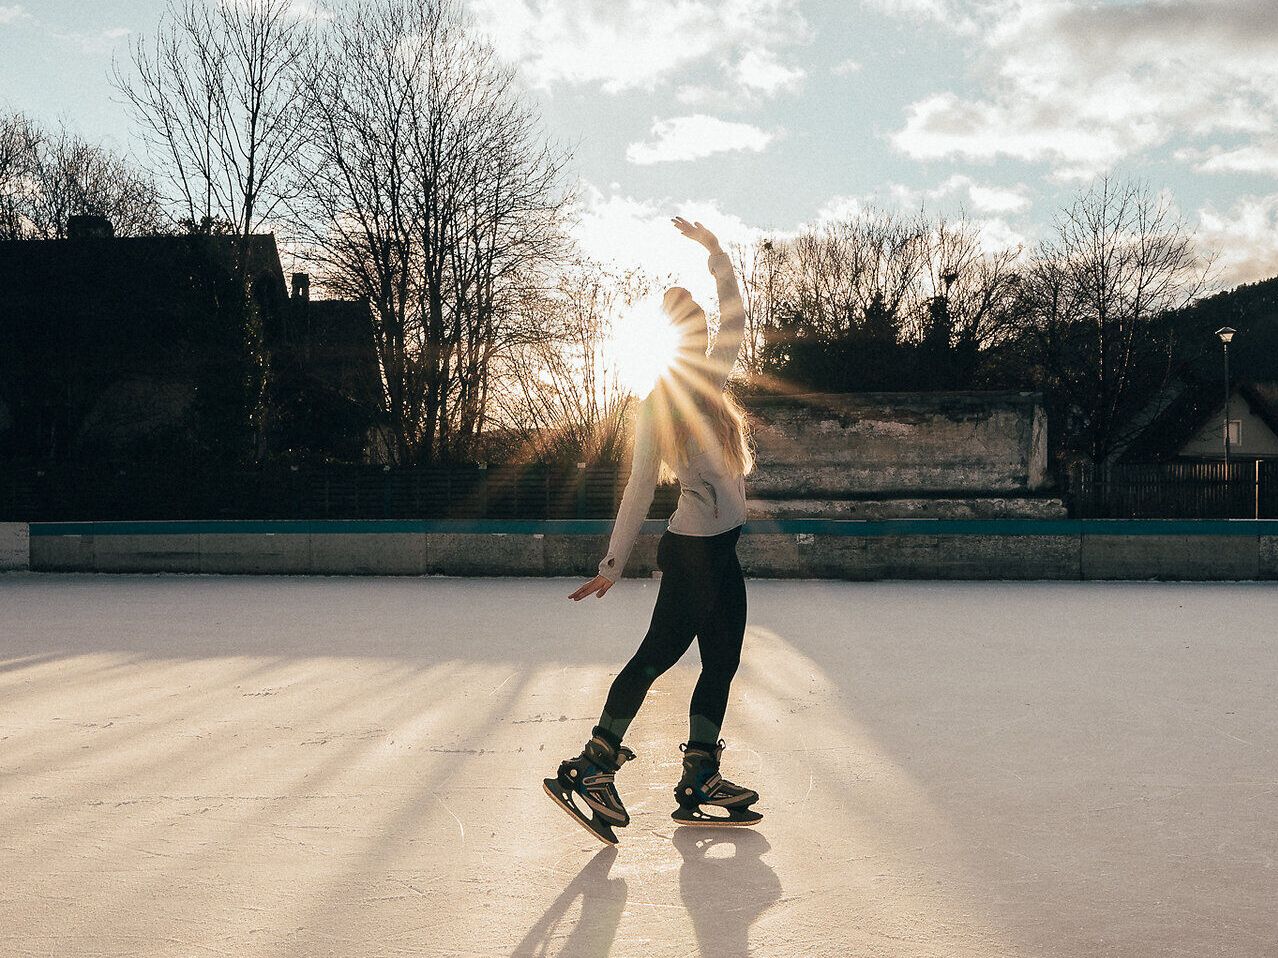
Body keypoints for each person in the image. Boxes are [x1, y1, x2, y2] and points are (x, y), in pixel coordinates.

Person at [542, 216, 762, 845]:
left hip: (722, 552)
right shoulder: (655, 407)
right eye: (691, 333)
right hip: (692, 553)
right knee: (655, 658)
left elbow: (736, 311)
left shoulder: (712, 384)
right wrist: (612, 565)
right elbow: (638, 488)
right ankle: (592, 766)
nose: (704, 339)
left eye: (703, 331)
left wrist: (715, 250)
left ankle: (699, 778)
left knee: (722, 662)